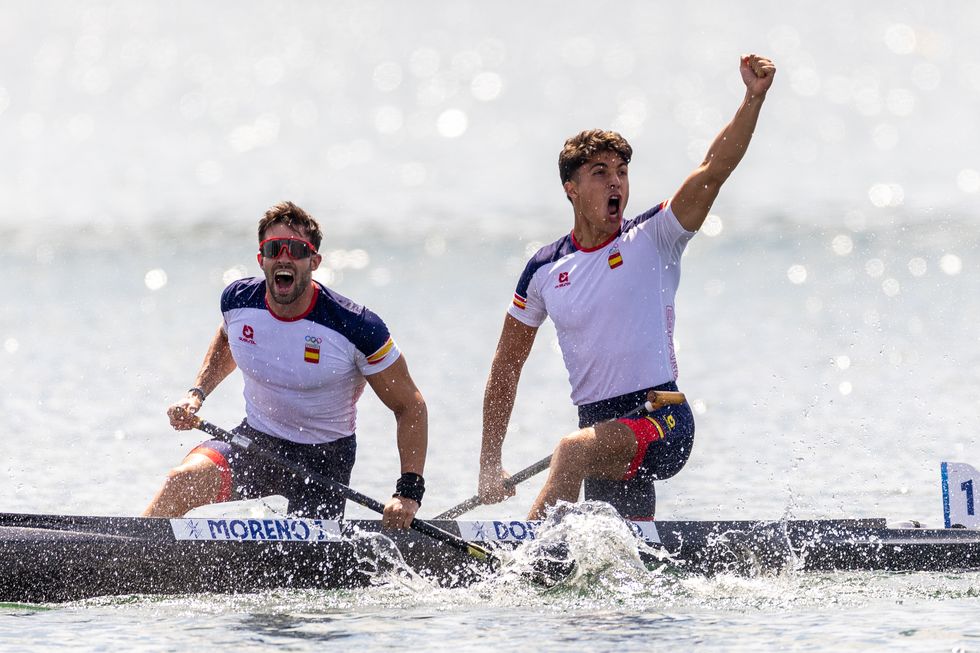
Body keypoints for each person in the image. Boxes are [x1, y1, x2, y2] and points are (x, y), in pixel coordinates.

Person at [478, 54, 776, 520]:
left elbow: (713, 169)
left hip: (663, 419)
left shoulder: (655, 237)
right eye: (600, 173)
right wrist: (490, 462)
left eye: (621, 172)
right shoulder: (542, 270)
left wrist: (752, 100)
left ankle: (518, 566)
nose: (615, 182)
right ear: (571, 188)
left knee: (569, 453)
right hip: (600, 430)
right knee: (620, 563)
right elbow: (506, 366)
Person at [143, 201, 427, 529]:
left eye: (296, 249)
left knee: (302, 569)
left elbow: (410, 406)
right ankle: (124, 562)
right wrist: (197, 393)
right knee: (181, 482)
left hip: (325, 459)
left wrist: (408, 491)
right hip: (256, 442)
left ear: (314, 261)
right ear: (261, 259)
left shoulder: (356, 327)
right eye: (274, 248)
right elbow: (227, 341)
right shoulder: (238, 301)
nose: (284, 257)